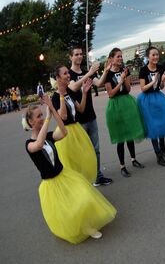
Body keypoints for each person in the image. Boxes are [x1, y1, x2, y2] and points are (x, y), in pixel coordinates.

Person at [23, 95, 116, 244]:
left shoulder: (48, 136)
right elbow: (38, 145)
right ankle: (81, 228)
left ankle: (88, 226)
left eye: (42, 114)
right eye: (38, 116)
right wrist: (48, 118)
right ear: (30, 122)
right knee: (67, 211)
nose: (42, 118)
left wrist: (53, 110)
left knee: (84, 197)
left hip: (65, 175)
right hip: (51, 184)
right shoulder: (29, 144)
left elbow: (64, 132)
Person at [68, 47, 112, 187]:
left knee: (96, 149)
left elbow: (98, 83)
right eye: (76, 54)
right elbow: (73, 87)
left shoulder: (87, 72)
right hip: (78, 120)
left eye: (81, 54)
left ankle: (98, 176)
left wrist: (105, 70)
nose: (79, 57)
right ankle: (85, 179)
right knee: (83, 151)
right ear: (70, 57)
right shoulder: (69, 74)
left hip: (91, 116)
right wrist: (90, 73)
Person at [51, 66, 97, 183]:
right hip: (65, 133)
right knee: (71, 164)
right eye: (65, 73)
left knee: (83, 159)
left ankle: (86, 185)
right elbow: (63, 116)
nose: (68, 75)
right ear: (58, 78)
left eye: (68, 73)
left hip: (76, 129)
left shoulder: (70, 92)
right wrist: (61, 95)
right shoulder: (55, 98)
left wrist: (85, 93)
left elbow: (80, 109)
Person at [104, 48, 146, 178]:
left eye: (121, 57)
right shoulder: (108, 75)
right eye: (118, 57)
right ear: (111, 59)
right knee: (120, 137)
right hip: (115, 105)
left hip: (127, 103)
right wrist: (120, 81)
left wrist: (126, 78)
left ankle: (133, 159)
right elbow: (110, 94)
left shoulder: (124, 71)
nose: (120, 59)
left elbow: (127, 90)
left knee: (130, 134)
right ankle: (122, 166)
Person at [137, 46, 165, 166]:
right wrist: (153, 81)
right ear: (148, 57)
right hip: (147, 100)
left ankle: (162, 149)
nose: (156, 57)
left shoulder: (161, 68)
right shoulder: (143, 70)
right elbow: (143, 89)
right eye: (153, 55)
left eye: (157, 55)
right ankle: (158, 155)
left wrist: (162, 81)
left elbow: (161, 87)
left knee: (161, 124)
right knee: (153, 127)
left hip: (159, 98)